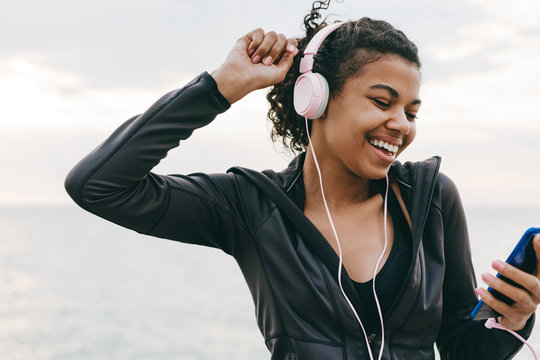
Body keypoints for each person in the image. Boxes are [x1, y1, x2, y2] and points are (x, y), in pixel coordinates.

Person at [65, 1, 539, 359]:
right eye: (381, 101)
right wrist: (220, 87)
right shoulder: (249, 206)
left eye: (411, 112)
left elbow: (461, 348)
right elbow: (98, 185)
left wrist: (514, 320)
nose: (402, 124)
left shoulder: (432, 196)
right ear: (316, 98)